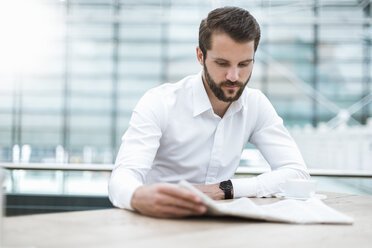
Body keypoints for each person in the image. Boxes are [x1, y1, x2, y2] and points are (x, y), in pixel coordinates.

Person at [108, 6, 310, 218]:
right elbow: (123, 176)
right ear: (200, 56)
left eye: (244, 64)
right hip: (157, 222)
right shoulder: (159, 102)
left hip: (219, 225)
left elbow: (297, 173)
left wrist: (226, 189)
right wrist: (138, 196)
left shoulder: (256, 104)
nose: (234, 76)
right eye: (222, 63)